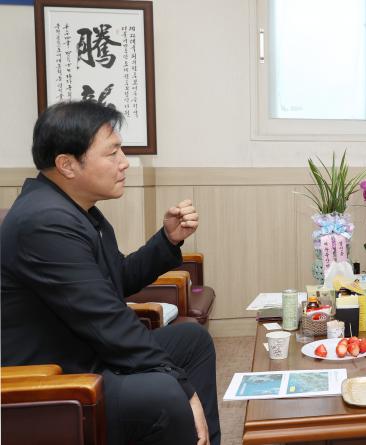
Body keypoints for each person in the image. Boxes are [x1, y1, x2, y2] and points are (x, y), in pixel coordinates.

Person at [1, 101, 220, 445]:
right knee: (165, 393)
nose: (124, 162)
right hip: (59, 380)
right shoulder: (44, 222)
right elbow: (106, 319)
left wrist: (168, 239)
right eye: (112, 152)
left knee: (192, 341)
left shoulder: (77, 210)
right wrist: (183, 387)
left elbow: (118, 277)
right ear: (67, 164)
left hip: (89, 354)